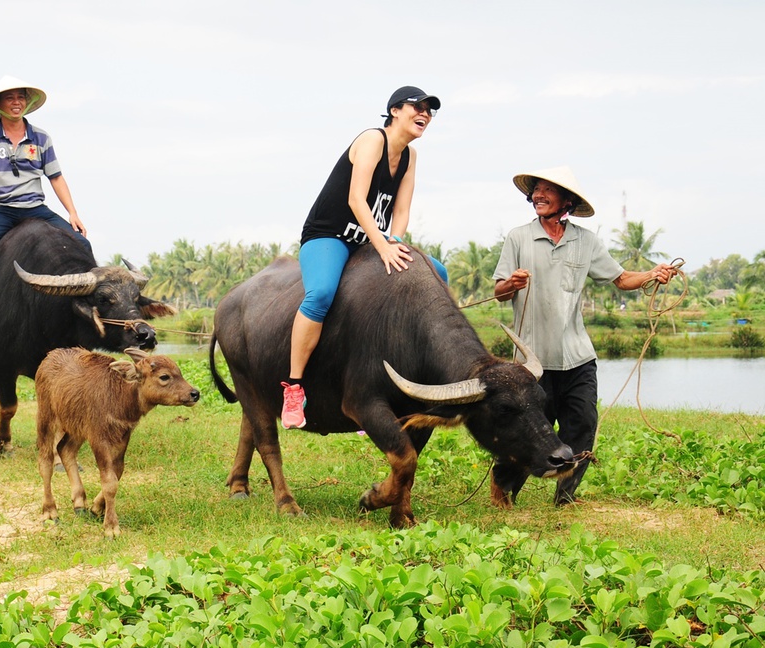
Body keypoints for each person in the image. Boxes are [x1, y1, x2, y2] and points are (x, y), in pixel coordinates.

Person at [492, 166, 677, 505]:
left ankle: (565, 495)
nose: (537, 195)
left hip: (577, 355)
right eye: (535, 190)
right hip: (532, 361)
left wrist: (653, 274)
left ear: (567, 201)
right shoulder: (518, 238)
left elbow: (621, 279)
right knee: (529, 430)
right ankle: (503, 488)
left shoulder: (586, 241)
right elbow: (500, 291)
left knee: (582, 422)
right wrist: (512, 284)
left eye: (547, 190)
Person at [281, 86, 449, 429]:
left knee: (438, 273)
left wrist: (395, 242)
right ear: (394, 110)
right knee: (321, 294)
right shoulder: (373, 139)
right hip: (328, 236)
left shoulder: (411, 156)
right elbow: (357, 200)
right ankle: (294, 388)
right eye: (417, 107)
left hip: (369, 242)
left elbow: (401, 209)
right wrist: (383, 246)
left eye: (430, 111)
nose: (425, 114)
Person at [0, 75, 91, 351]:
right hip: (0, 211)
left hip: (35, 209)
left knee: (82, 243)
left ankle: (87, 313)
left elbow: (56, 178)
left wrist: (73, 213)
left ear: (27, 103)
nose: (16, 103)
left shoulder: (41, 138)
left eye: (21, 97)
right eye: (10, 98)